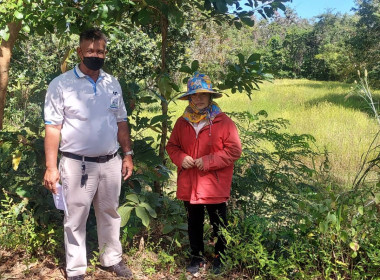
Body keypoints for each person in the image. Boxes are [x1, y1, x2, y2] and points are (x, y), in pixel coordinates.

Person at [43, 28, 134, 280]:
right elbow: (52, 129)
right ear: (80, 52)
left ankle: (111, 259)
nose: (96, 55)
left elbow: (121, 120)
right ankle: (75, 270)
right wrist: (51, 167)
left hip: (110, 161)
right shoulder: (61, 84)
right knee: (75, 217)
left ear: (105, 53)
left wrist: (127, 153)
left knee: (110, 212)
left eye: (100, 51)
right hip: (76, 164)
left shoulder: (111, 83)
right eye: (91, 50)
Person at [166, 72, 242, 275]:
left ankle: (220, 257)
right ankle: (196, 256)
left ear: (210, 97)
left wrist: (208, 161)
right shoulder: (182, 122)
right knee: (194, 221)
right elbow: (172, 146)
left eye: (203, 95)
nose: (198, 99)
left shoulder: (223, 122)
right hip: (190, 183)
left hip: (214, 183)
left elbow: (234, 150)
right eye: (194, 95)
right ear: (189, 97)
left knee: (218, 222)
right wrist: (181, 158)